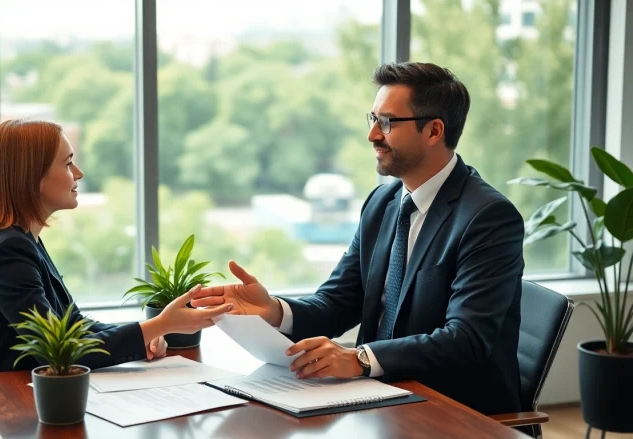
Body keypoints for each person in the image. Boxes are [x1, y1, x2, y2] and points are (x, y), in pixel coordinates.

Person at [192, 62, 525, 415]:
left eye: (388, 123)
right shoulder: (382, 203)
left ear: (434, 130)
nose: (373, 135)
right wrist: (275, 311)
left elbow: (467, 340)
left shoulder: (488, 217)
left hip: (454, 410)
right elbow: (338, 302)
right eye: (373, 119)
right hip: (377, 398)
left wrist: (360, 359)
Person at [0, 119, 232, 415]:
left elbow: (73, 328)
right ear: (32, 177)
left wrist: (145, 333)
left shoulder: (20, 240)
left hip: (14, 405)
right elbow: (62, 352)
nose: (79, 173)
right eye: (68, 164)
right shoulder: (8, 250)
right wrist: (161, 324)